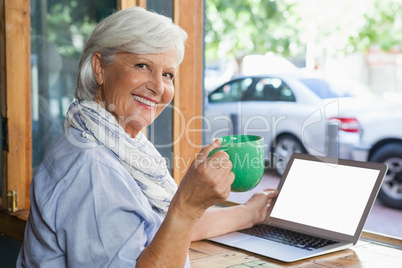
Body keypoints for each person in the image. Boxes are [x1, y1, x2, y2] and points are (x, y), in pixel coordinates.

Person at [17, 7, 277, 267]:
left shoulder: (113, 143)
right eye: (142, 65)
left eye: (167, 75)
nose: (159, 87)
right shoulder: (92, 167)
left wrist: (252, 212)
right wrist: (187, 205)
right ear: (100, 68)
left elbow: (161, 229)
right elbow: (176, 223)